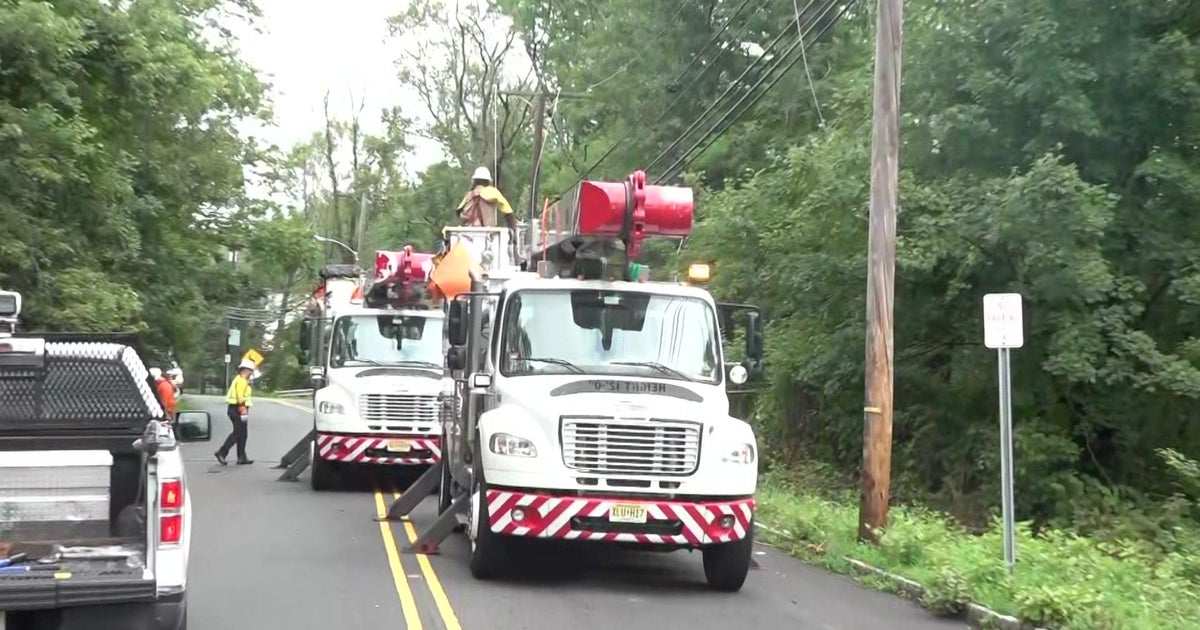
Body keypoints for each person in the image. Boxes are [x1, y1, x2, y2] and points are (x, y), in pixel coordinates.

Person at [215, 359, 255, 465]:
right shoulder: (241, 381)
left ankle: (241, 457)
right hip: (238, 408)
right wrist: (242, 408)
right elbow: (240, 396)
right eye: (250, 371)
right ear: (245, 370)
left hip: (240, 409)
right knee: (238, 432)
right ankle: (221, 452)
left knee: (243, 433)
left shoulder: (241, 380)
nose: (251, 373)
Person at [457, 166, 517, 230]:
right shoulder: (492, 192)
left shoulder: (470, 195)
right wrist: (512, 227)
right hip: (488, 232)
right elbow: (507, 210)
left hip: (470, 231)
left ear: (475, 180)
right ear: (488, 181)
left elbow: (459, 211)